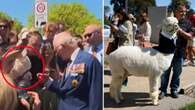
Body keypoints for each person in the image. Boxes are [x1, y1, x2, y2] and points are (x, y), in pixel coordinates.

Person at [44, 31, 102, 110]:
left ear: (62, 47)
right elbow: (66, 88)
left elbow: (96, 97)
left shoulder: (89, 61)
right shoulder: (69, 62)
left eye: (56, 50)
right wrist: (47, 81)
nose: (56, 54)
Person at [159, 4, 193, 99]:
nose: (183, 13)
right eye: (181, 11)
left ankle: (174, 89)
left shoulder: (188, 23)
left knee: (177, 73)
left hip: (180, 52)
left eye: (185, 11)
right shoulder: (168, 21)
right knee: (165, 73)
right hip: (166, 52)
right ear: (176, 11)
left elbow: (190, 36)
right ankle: (163, 90)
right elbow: (161, 35)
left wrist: (180, 31)